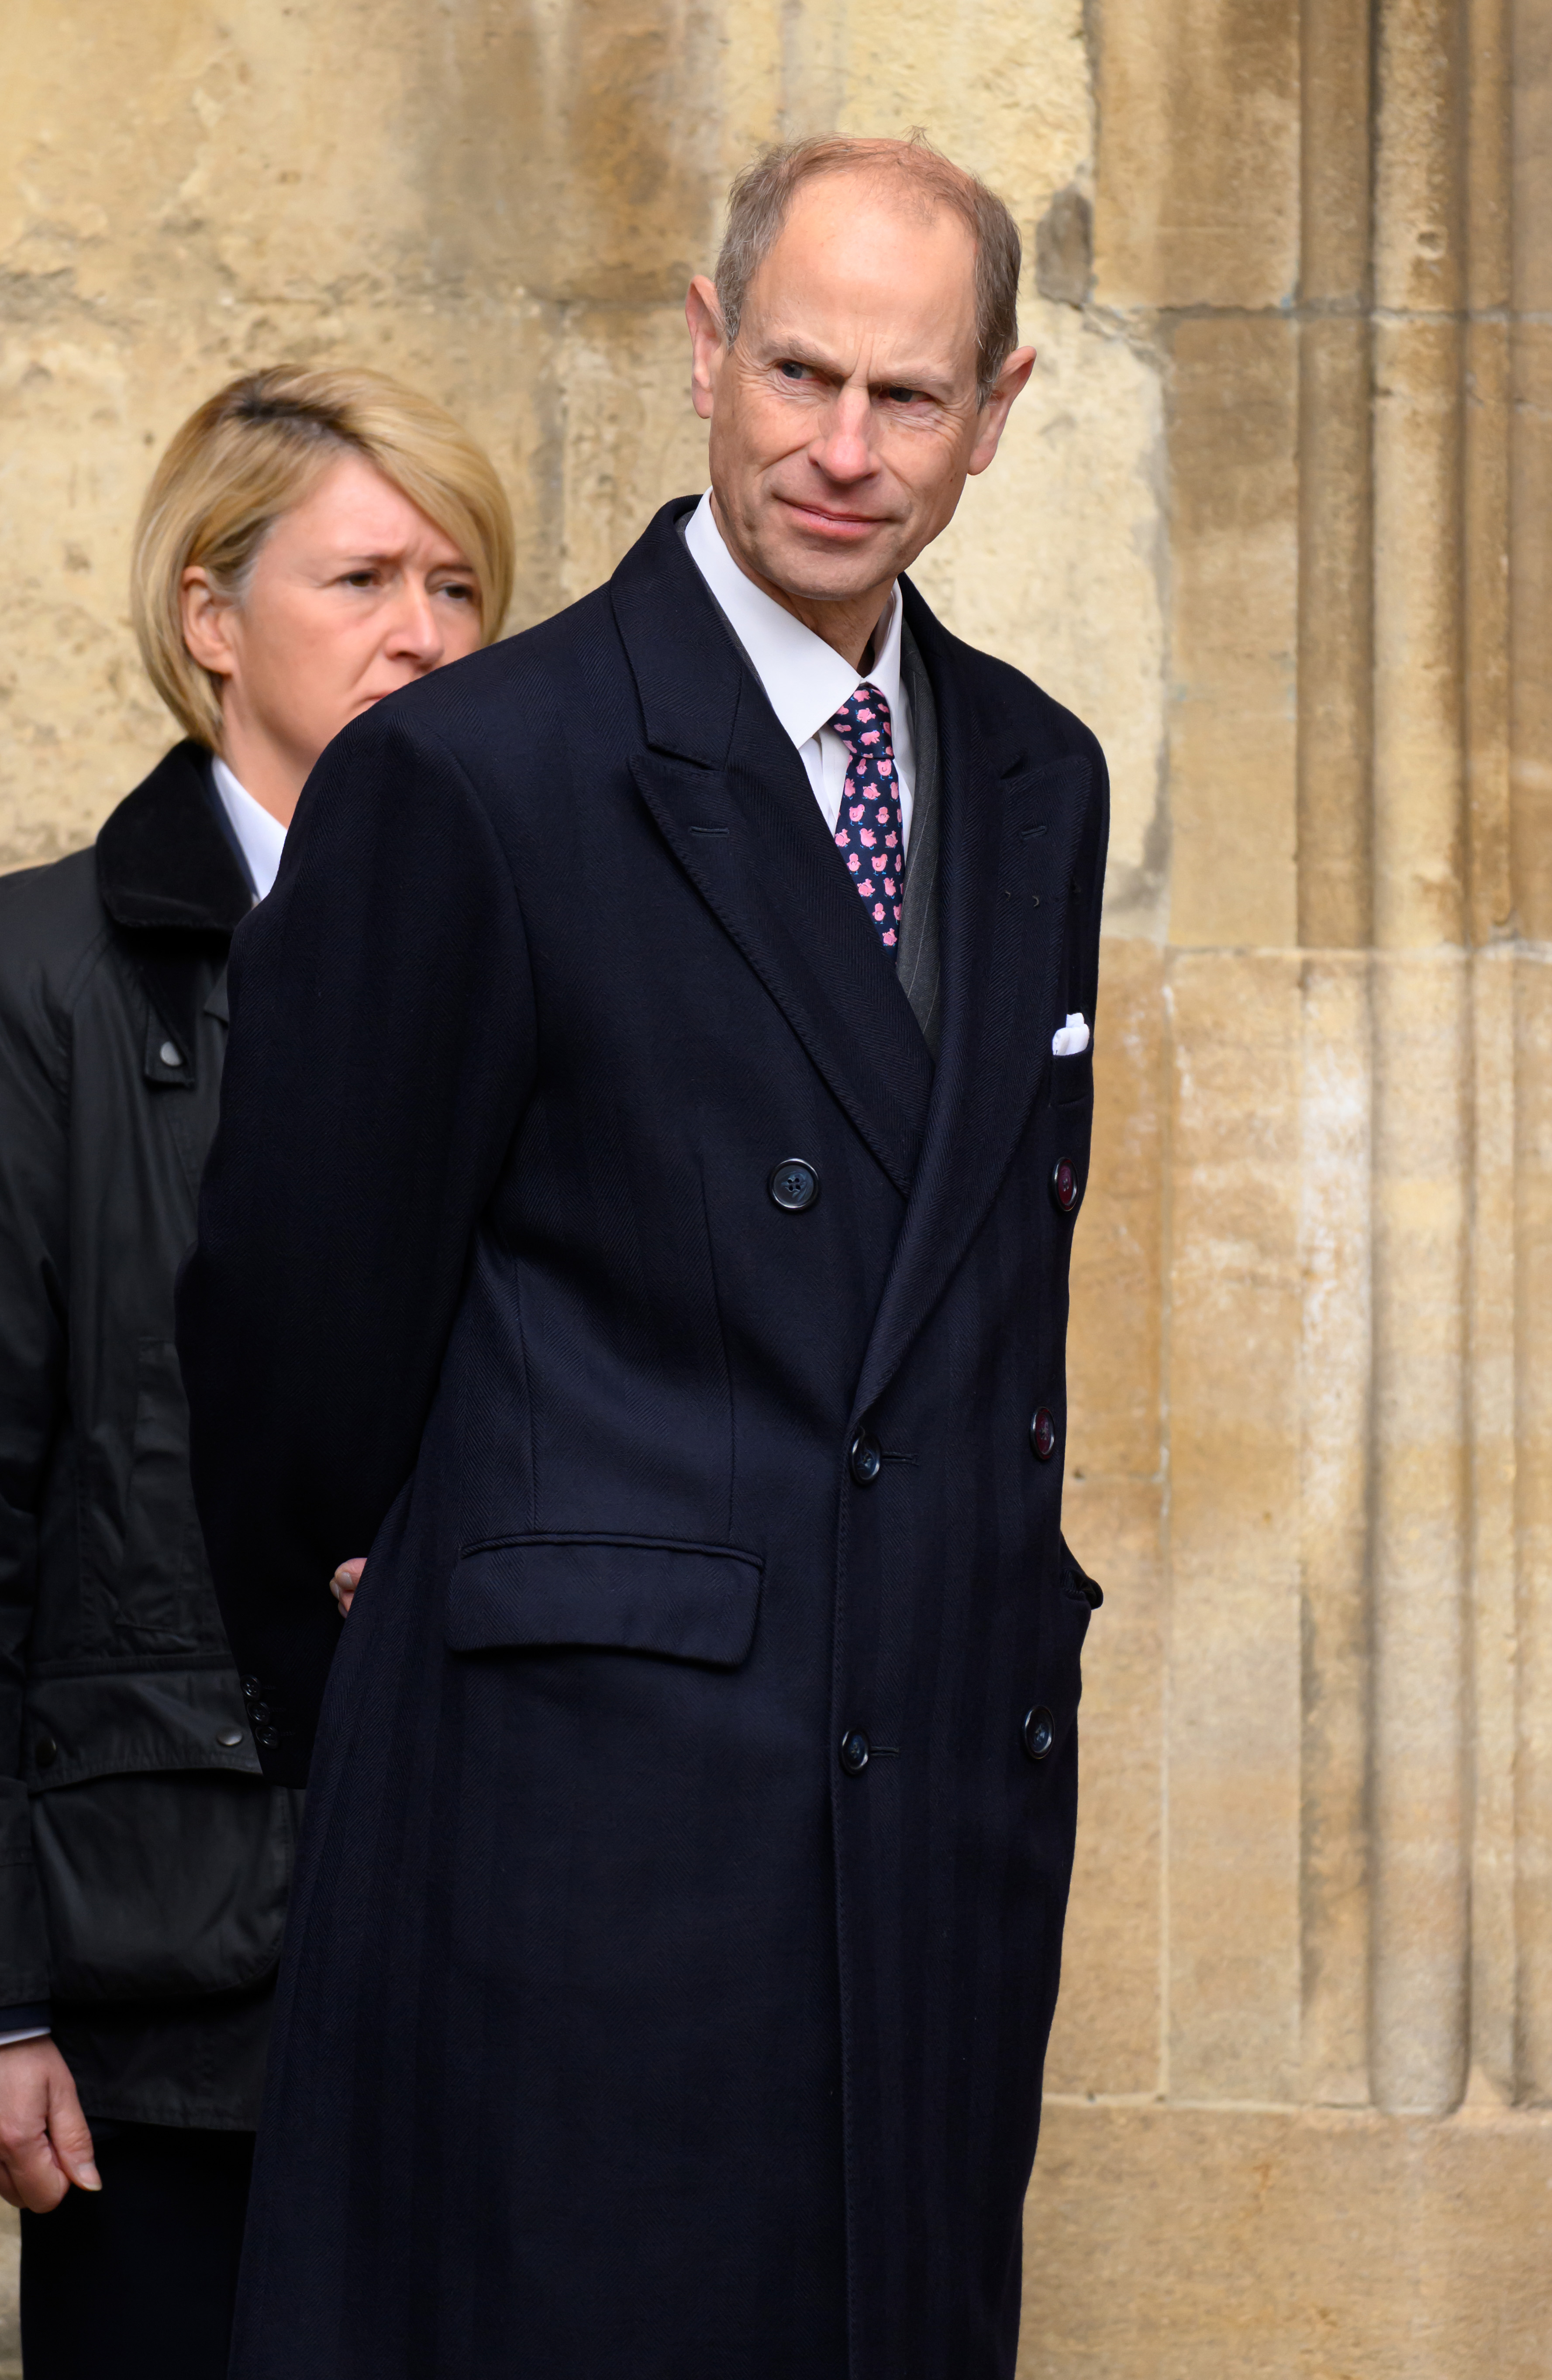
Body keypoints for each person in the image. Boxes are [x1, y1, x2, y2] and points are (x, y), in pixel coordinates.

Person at [178, 135, 1108, 2380]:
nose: (842, 448)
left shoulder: (1031, 779)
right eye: (798, 372)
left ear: (997, 407)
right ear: (705, 351)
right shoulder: (481, 772)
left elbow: (980, 1302)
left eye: (908, 395)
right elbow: (293, 1357)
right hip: (590, 1840)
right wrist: (448, 1688)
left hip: (930, 1828)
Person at [0, 365, 513, 2379]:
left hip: (485, 1939)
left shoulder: (541, 955)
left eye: (460, 587)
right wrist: (6, 1995)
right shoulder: (40, 984)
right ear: (211, 618)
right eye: (365, 576)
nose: (424, 635)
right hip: (152, 1982)